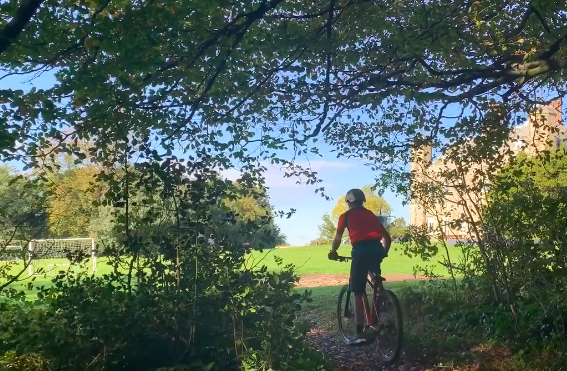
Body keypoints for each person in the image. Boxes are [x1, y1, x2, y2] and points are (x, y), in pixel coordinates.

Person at [328, 188, 392, 345]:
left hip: (360, 251)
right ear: (362, 201)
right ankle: (383, 299)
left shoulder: (346, 216)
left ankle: (360, 332)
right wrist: (383, 253)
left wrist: (333, 252)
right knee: (375, 278)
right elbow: (387, 238)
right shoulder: (370, 214)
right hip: (376, 249)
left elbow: (337, 238)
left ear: (349, 202)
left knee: (358, 291)